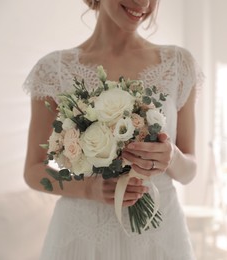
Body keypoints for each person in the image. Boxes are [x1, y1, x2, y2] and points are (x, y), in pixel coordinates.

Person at [23, 0, 204, 259]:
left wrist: (171, 156)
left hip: (158, 233)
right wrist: (88, 189)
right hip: (82, 234)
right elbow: (33, 171)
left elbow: (189, 171)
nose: (144, 3)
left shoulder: (178, 64)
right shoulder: (54, 70)